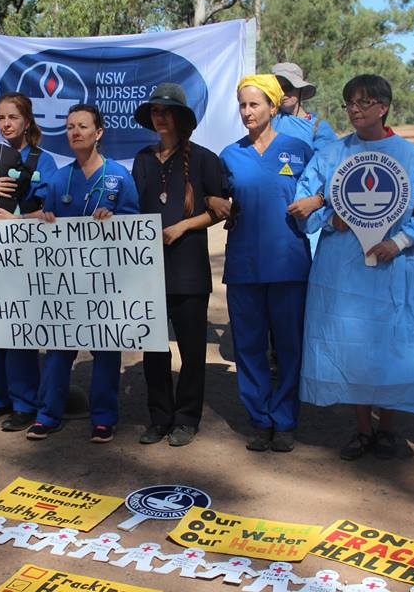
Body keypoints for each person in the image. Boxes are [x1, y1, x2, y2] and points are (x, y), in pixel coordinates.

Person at [291, 74, 414, 460]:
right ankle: (361, 428)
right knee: (350, 343)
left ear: (383, 107)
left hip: (393, 267)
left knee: (391, 342)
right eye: (349, 103)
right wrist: (328, 219)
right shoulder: (330, 156)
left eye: (364, 102)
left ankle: (387, 428)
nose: (355, 110)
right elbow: (302, 205)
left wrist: (400, 241)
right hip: (343, 268)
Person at [27, 104, 140, 443]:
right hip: (67, 281)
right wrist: (44, 220)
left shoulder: (119, 176)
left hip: (106, 280)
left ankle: (104, 417)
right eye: (70, 127)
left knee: (106, 350)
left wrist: (115, 220)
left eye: (83, 126)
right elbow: (47, 220)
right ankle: (48, 415)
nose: (75, 132)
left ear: (99, 133)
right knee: (59, 349)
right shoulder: (61, 177)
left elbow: (136, 228)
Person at [130, 83, 228, 447]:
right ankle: (159, 417)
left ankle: (186, 419)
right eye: (155, 110)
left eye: (166, 111)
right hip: (147, 270)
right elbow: (133, 208)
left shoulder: (203, 159)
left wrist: (184, 226)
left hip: (188, 269)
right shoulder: (141, 159)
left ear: (180, 117)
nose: (159, 116)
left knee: (191, 350)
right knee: (153, 349)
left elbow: (220, 210)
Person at [220, 75, 313, 453]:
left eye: (254, 104)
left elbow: (324, 189)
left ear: (273, 107)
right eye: (242, 105)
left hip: (289, 262)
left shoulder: (298, 149)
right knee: (249, 346)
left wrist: (318, 201)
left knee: (290, 346)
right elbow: (217, 200)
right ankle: (259, 419)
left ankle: (285, 420)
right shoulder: (230, 155)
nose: (247, 112)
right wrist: (217, 205)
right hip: (244, 264)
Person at [0, 92, 57, 432]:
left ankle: (24, 402)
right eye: (0, 118)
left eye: (12, 118)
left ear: (27, 121)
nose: (6, 124)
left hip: (20, 260)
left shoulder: (41, 161)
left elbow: (50, 213)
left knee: (18, 332)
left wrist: (16, 220)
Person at [272, 62, 338, 258]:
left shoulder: (318, 127)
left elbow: (331, 173)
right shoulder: (264, 121)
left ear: (300, 90)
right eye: (278, 87)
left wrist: (317, 201)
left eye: (288, 87)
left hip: (305, 215)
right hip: (271, 213)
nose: (284, 92)